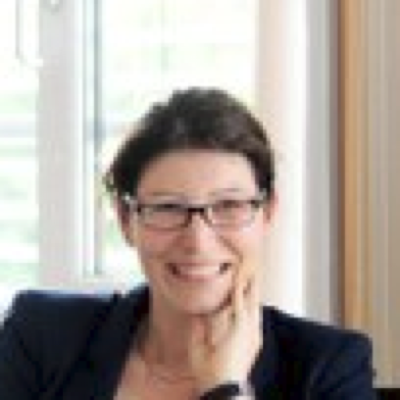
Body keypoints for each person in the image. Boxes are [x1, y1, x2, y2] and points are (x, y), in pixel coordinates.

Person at [0, 87, 376, 399]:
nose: (197, 241)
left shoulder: (329, 369)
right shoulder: (41, 336)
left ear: (267, 213)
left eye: (228, 205)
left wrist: (225, 388)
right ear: (127, 219)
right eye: (168, 207)